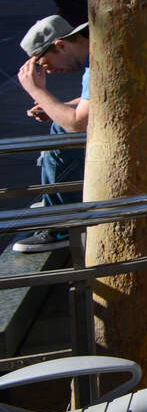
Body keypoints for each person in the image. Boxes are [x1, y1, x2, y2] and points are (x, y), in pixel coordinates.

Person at [13, 15, 90, 252]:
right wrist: (56, 107)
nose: (50, 70)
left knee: (62, 134)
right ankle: (55, 204)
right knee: (59, 126)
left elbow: (77, 125)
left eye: (45, 63)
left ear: (61, 45)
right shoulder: (97, 56)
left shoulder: (97, 64)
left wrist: (37, 92)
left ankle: (62, 226)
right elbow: (93, 99)